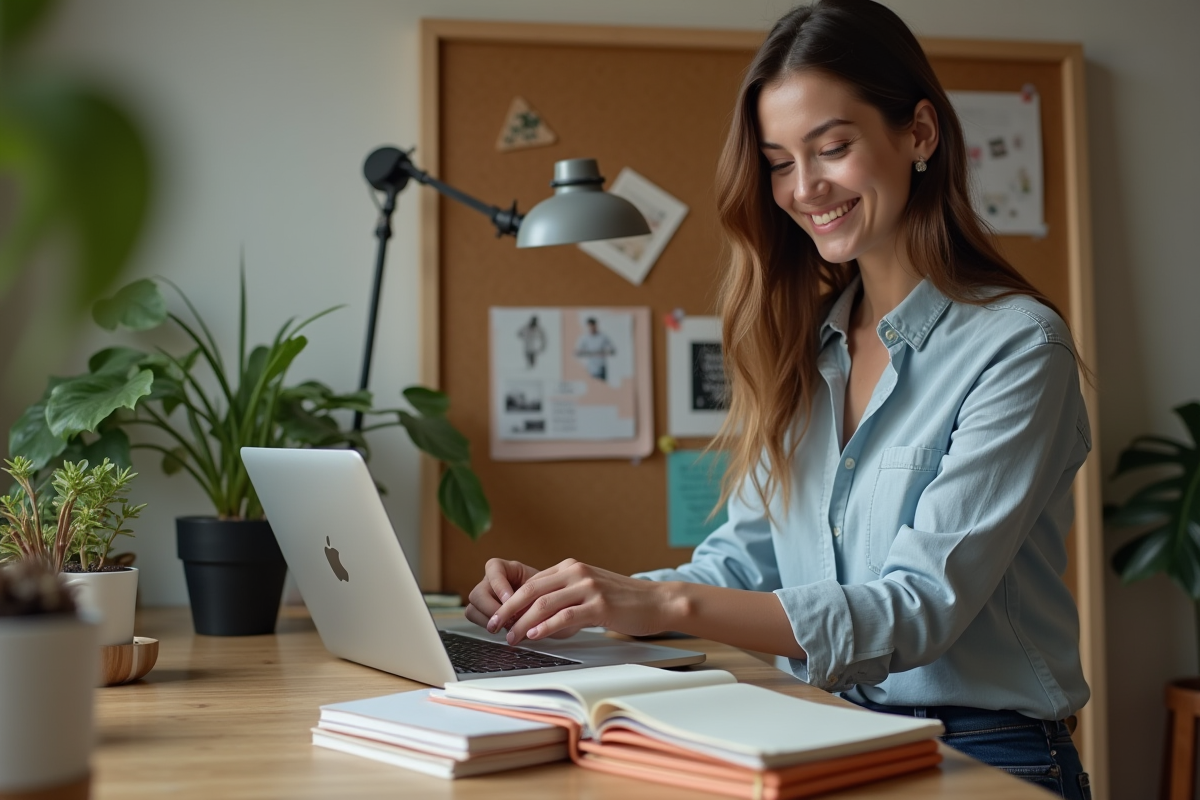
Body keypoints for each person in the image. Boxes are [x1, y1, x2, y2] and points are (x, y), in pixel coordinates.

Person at [465, 2, 1091, 797]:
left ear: (920, 134)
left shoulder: (1016, 346)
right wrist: (579, 597)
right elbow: (741, 561)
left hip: (991, 752)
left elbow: (919, 607)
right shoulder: (805, 346)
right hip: (830, 733)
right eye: (779, 161)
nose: (806, 188)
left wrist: (662, 600)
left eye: (832, 148)